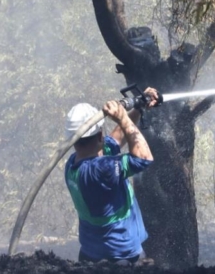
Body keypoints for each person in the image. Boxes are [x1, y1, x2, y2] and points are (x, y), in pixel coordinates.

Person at [64, 88, 159, 264]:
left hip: (91, 254)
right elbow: (144, 158)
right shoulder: (101, 170)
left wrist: (138, 108)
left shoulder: (73, 164)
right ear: (99, 134)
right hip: (121, 258)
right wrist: (122, 118)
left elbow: (115, 140)